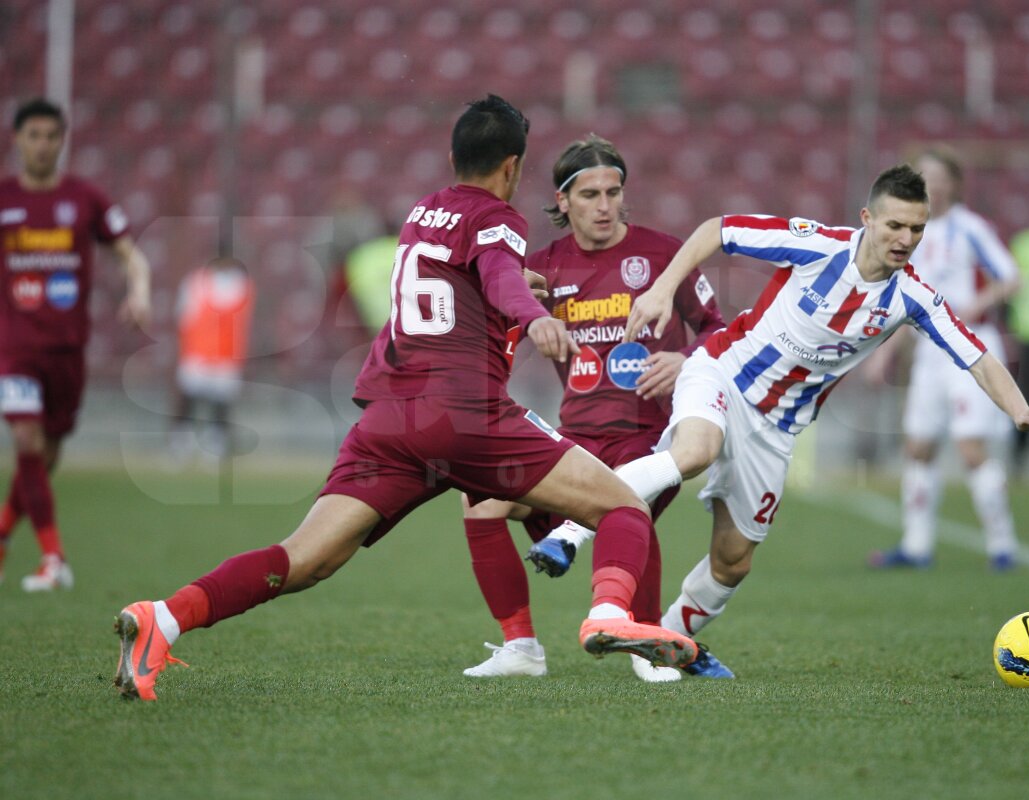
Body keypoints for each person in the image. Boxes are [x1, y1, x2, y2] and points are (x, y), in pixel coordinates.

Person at [112, 95, 697, 701]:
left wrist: (508, 288)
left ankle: (166, 617)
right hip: (466, 414)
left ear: (452, 157)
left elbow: (470, 277)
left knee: (304, 559)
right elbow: (497, 273)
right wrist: (531, 312)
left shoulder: (422, 213)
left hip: (390, 419)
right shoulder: (500, 219)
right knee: (624, 506)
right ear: (513, 168)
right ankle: (607, 615)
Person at [533, 165, 1029, 670]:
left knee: (732, 562)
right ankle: (569, 534)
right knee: (694, 451)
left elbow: (975, 355)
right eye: (895, 225)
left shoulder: (912, 297)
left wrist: (1020, 409)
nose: (905, 239)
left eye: (916, 229)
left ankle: (670, 639)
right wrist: (661, 289)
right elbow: (718, 229)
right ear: (867, 219)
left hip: (776, 429)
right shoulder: (817, 245)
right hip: (723, 373)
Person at [459, 135, 727, 682]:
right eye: (589, 194)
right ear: (563, 202)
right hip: (574, 438)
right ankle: (521, 649)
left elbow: (720, 331)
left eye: (614, 191)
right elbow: (487, 338)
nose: (605, 205)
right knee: (481, 499)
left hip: (646, 436)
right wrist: (530, 323)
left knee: (629, 502)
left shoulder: (662, 256)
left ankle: (643, 640)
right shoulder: (541, 269)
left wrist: (686, 360)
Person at [0, 98, 151, 590]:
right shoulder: (4, 198)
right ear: (18, 139)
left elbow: (132, 255)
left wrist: (139, 291)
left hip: (67, 349)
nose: (43, 145)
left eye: (51, 136)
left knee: (46, 456)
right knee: (25, 440)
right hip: (15, 347)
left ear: (62, 140)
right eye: (34, 136)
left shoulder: (85, 198)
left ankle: (2, 534)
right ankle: (53, 559)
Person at [867, 148, 1022, 571]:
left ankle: (1002, 545)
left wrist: (974, 306)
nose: (932, 184)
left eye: (939, 176)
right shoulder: (910, 232)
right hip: (930, 351)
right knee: (918, 446)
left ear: (954, 183)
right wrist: (886, 353)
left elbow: (1011, 277)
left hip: (971, 345)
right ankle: (917, 547)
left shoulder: (971, 229)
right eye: (925, 176)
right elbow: (906, 300)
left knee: (971, 448)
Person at [170, 256, 256, 464]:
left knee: (220, 404)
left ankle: (214, 445)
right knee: (188, 399)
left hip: (225, 357)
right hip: (198, 353)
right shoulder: (196, 283)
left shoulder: (241, 287)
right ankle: (182, 442)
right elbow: (183, 317)